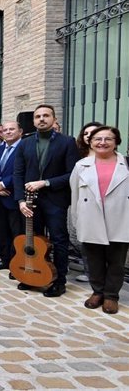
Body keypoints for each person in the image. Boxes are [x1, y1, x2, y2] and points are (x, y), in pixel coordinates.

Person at [13, 104, 80, 297]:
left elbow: (72, 174)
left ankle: (59, 280)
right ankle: (32, 275)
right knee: (33, 239)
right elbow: (18, 174)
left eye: (46, 116)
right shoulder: (24, 144)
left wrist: (46, 182)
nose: (41, 119)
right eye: (37, 116)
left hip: (55, 200)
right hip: (30, 202)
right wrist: (20, 200)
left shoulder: (67, 142)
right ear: (33, 121)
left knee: (59, 240)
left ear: (53, 118)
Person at [70, 126, 129, 314]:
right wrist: (77, 220)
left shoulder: (126, 164)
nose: (102, 142)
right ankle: (97, 292)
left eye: (108, 139)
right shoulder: (81, 165)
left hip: (119, 218)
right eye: (97, 139)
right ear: (91, 142)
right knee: (92, 259)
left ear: (116, 142)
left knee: (116, 260)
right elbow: (75, 195)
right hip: (90, 218)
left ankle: (111, 296)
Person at [0, 121, 23, 270]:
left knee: (16, 233)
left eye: (11, 129)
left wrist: (4, 184)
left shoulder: (24, 148)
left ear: (20, 131)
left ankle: (16, 263)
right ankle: (5, 260)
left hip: (13, 197)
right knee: (0, 231)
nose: (6, 132)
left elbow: (22, 172)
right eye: (5, 130)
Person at [72, 121, 102, 282]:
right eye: (86, 133)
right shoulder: (78, 159)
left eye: (94, 132)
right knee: (86, 241)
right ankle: (91, 273)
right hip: (85, 206)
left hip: (107, 207)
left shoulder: (115, 159)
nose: (89, 136)